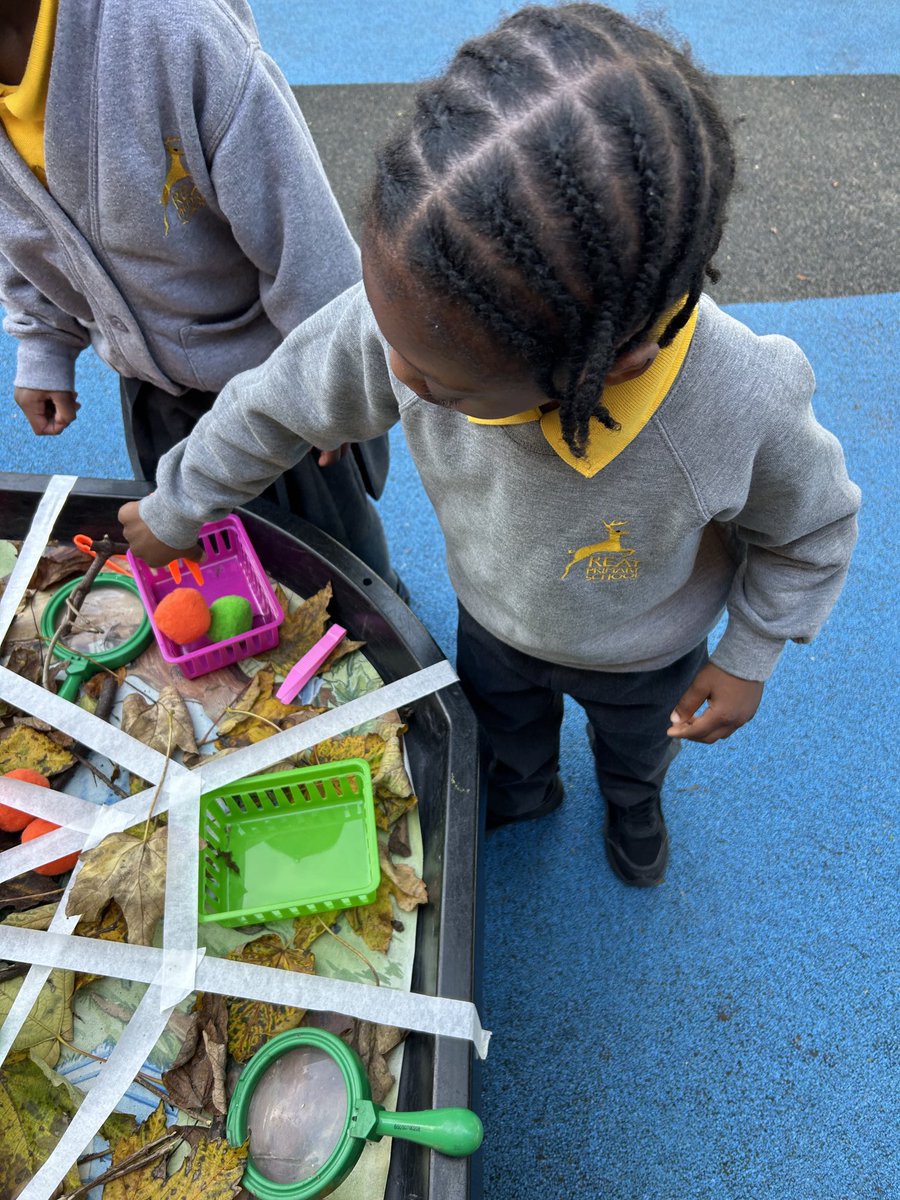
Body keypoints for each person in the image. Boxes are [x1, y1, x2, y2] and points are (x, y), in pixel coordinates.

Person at [119, 3, 860, 886]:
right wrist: (179, 506)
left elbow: (809, 533)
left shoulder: (741, 400)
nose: (395, 375)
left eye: (439, 386)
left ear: (613, 367)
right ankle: (523, 789)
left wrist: (749, 659)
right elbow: (271, 407)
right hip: (494, 619)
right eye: (388, 340)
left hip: (644, 653)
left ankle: (633, 807)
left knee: (637, 751)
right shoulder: (423, 314)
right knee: (504, 733)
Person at [0, 0, 400, 590]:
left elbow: (302, 234)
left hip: (274, 382)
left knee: (338, 573)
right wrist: (43, 344)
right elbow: (24, 228)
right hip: (153, 386)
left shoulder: (172, 32)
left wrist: (329, 385)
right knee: (197, 555)